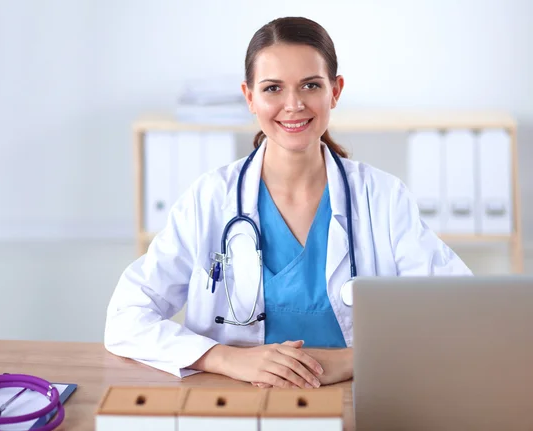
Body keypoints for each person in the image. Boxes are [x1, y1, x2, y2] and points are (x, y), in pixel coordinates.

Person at [104, 16, 472, 389]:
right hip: (235, 402)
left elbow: (460, 311)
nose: (293, 104)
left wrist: (353, 360)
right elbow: (125, 318)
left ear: (335, 91)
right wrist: (230, 359)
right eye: (273, 88)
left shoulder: (382, 198)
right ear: (250, 97)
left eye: (310, 85)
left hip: (357, 401)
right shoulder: (210, 199)